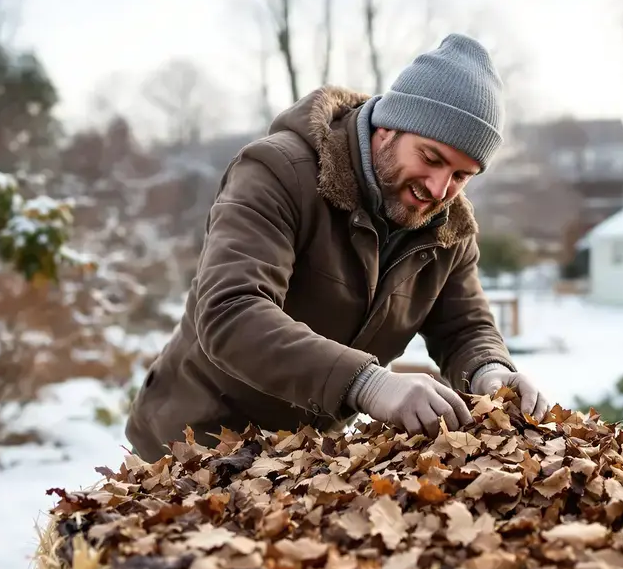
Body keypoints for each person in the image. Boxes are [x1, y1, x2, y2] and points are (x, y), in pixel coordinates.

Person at [125, 33, 548, 462]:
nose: (440, 189)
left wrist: (490, 371)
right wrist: (368, 384)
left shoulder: (447, 225)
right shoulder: (277, 172)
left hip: (303, 458)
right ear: (387, 127)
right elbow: (231, 311)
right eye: (431, 158)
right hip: (191, 444)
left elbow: (464, 328)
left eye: (461, 175)